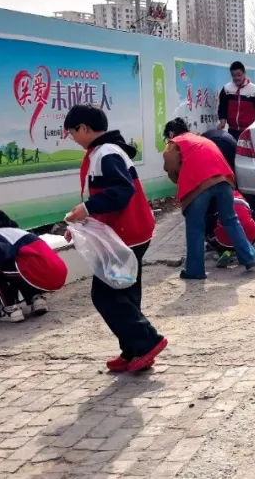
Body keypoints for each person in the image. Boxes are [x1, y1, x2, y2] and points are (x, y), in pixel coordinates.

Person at [63, 105, 166, 373]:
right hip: (129, 232)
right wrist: (82, 223)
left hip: (125, 235)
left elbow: (122, 191)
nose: (73, 138)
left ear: (84, 128)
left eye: (73, 132)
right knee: (126, 291)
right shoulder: (104, 151)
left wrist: (85, 210)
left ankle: (147, 342)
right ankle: (133, 351)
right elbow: (105, 197)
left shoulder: (106, 153)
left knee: (105, 296)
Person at [162, 119, 255, 280]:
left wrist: (178, 179)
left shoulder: (175, 143)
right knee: (230, 220)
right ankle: (249, 257)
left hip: (200, 185)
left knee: (195, 228)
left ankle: (195, 271)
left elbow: (170, 165)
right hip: (225, 180)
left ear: (171, 134)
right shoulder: (201, 139)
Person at [0, 210, 67, 322]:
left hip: (39, 273)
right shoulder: (18, 232)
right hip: (56, 273)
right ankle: (37, 299)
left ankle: (11, 310)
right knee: (18, 266)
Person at [206, 190, 255, 268]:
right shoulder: (241, 198)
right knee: (246, 228)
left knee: (206, 228)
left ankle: (223, 252)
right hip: (249, 239)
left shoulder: (213, 201)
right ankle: (245, 254)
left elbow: (209, 226)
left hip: (223, 241)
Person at [218, 61, 255, 140]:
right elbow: (222, 106)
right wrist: (222, 120)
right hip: (232, 130)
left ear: (244, 73)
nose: (236, 78)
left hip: (249, 130)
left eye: (239, 75)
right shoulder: (226, 89)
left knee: (246, 152)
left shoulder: (254, 90)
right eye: (233, 75)